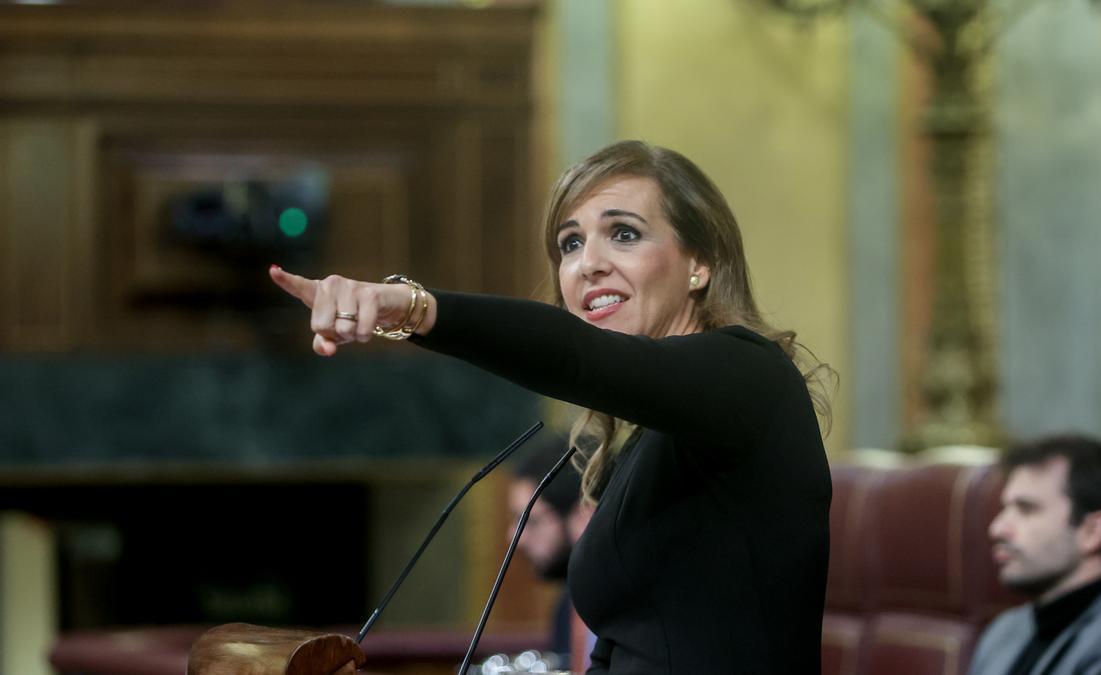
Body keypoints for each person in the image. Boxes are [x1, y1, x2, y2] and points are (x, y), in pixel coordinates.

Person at [270, 140, 833, 673]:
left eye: (624, 234)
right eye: (570, 243)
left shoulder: (751, 375)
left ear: (700, 262)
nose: (588, 263)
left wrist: (410, 308)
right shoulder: (644, 442)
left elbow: (578, 355)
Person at [970, 435, 1101, 675]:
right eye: (1005, 508)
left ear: (1092, 532)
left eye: (1026, 509)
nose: (997, 528)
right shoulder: (1005, 630)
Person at [507, 433, 584, 658]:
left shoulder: (607, 610)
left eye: (531, 522)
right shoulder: (567, 605)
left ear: (582, 513)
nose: (514, 538)